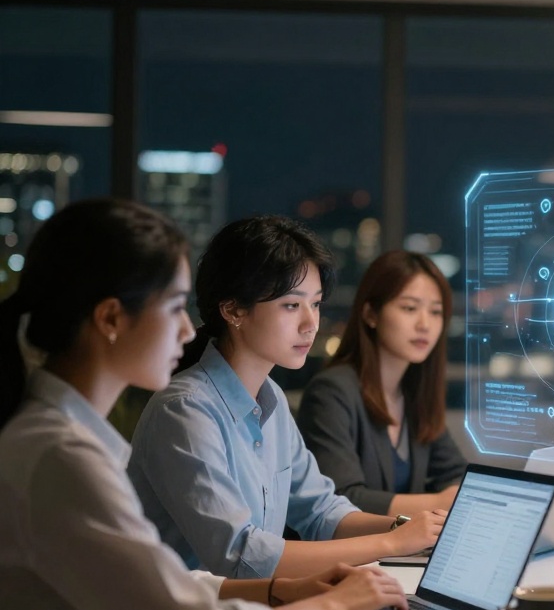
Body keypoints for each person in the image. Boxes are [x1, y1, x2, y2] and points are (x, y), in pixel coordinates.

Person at [0, 199, 408, 610]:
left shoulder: (70, 441)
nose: (187, 330)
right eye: (172, 307)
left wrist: (284, 590)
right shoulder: (65, 455)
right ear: (110, 319)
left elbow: (168, 582)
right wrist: (335, 606)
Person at [128, 215, 445, 581]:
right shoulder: (186, 410)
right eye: (292, 305)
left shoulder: (271, 399)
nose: (311, 323)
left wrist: (410, 530)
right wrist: (393, 543)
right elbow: (241, 555)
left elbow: (322, 512)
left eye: (317, 303)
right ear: (233, 310)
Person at [296, 250, 468, 516]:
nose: (425, 324)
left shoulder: (414, 393)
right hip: (347, 554)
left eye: (436, 312)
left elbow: (456, 475)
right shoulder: (331, 392)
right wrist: (438, 503)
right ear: (371, 314)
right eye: (410, 308)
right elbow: (342, 499)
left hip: (399, 553)